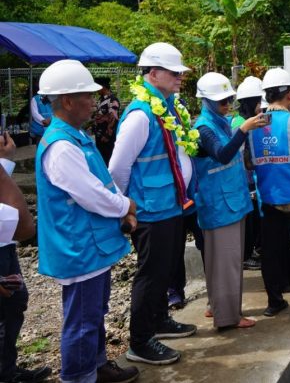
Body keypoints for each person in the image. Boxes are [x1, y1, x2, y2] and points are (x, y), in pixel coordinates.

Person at [35, 60, 140, 383]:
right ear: (66, 100)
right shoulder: (62, 145)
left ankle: (96, 366)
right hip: (79, 247)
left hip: (91, 244)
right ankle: (79, 376)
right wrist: (125, 205)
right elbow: (91, 194)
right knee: (81, 320)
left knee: (94, 314)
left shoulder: (75, 136)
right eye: (87, 96)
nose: (94, 102)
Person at [109, 42, 197, 366]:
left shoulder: (169, 106)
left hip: (172, 206)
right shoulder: (140, 115)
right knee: (151, 274)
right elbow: (118, 168)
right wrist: (124, 210)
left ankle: (159, 321)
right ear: (154, 73)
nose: (179, 78)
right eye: (174, 73)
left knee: (165, 271)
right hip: (150, 210)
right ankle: (140, 341)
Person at [193, 73, 267, 329]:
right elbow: (223, 154)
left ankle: (219, 308)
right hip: (219, 205)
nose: (226, 105)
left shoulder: (220, 122)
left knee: (224, 263)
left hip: (229, 202)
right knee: (226, 264)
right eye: (221, 101)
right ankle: (228, 318)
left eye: (228, 100)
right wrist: (244, 129)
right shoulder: (204, 127)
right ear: (206, 101)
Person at [249, 69, 290, 318]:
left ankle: (274, 301)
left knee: (271, 254)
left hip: (267, 199)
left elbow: (248, 161)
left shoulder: (254, 126)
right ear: (289, 94)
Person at [0, 132, 49, 383]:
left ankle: (7, 369)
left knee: (14, 304)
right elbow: (26, 227)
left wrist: (5, 162)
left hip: (4, 244)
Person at [233, 77, 264, 271]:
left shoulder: (248, 121)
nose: (261, 106)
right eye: (258, 102)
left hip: (251, 180)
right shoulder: (240, 124)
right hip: (245, 181)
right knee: (251, 223)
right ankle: (247, 256)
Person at [92, 77, 121, 164]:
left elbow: (114, 118)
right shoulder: (101, 99)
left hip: (107, 137)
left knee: (108, 158)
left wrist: (107, 135)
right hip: (99, 135)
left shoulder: (112, 100)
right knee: (101, 158)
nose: (96, 90)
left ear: (103, 86)